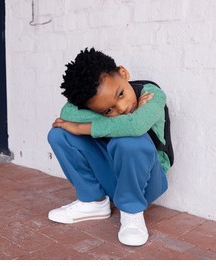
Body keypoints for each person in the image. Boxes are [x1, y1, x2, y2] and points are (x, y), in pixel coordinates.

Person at [47, 48, 170, 246]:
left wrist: (80, 128)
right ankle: (93, 202)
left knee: (128, 139)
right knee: (59, 134)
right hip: (115, 175)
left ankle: (132, 212)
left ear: (123, 73)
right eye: (108, 110)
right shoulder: (110, 103)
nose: (121, 108)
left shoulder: (152, 93)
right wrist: (129, 117)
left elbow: (136, 125)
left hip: (148, 180)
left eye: (120, 94)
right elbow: (67, 111)